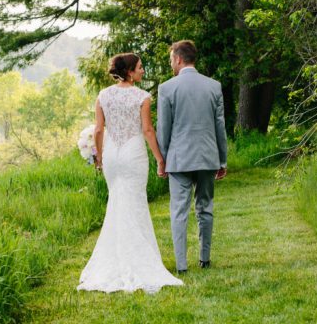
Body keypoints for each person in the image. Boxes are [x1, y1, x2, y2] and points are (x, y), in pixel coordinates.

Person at [78, 53, 184, 294]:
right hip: (133, 153)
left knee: (117, 203)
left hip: (113, 155)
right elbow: (147, 130)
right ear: (129, 71)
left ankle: (117, 258)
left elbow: (98, 130)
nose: (143, 71)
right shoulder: (142, 97)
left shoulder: (103, 95)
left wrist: (100, 158)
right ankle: (138, 259)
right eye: (140, 67)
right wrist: (160, 159)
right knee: (135, 203)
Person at [156, 40, 228, 274]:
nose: (171, 64)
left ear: (178, 59)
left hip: (178, 159)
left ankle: (181, 265)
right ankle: (204, 259)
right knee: (205, 207)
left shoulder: (167, 88)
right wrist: (222, 159)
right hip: (207, 156)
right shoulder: (214, 86)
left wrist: (163, 159)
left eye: (171, 60)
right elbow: (220, 127)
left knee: (179, 211)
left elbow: (163, 129)